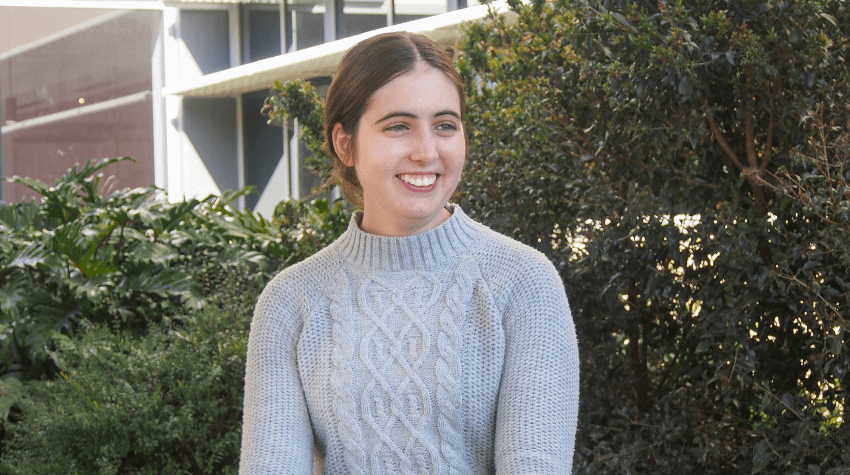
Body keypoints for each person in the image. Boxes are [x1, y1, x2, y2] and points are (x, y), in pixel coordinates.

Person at [239, 31, 579, 475]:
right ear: (346, 144)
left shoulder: (522, 282)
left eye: (445, 125)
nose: (426, 151)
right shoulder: (290, 302)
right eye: (398, 126)